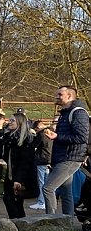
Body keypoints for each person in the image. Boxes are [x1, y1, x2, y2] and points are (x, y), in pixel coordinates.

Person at [41, 86, 89, 215]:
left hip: (70, 158)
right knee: (65, 191)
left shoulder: (78, 113)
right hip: (62, 157)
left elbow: (82, 137)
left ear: (69, 96)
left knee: (48, 188)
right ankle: (68, 224)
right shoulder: (65, 113)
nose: (57, 96)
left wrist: (57, 136)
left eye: (60, 94)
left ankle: (51, 221)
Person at [1, 112, 38, 219]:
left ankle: (17, 222)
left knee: (11, 198)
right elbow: (8, 156)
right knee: (13, 199)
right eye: (9, 120)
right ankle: (19, 222)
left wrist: (18, 179)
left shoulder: (27, 140)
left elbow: (25, 162)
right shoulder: (9, 138)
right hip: (11, 173)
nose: (9, 122)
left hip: (21, 175)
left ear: (20, 123)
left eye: (12, 120)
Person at [28, 120, 53, 210]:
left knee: (41, 182)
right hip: (49, 160)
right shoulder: (51, 133)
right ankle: (47, 202)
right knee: (48, 183)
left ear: (37, 128)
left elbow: (34, 145)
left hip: (41, 160)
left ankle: (41, 202)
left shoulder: (41, 135)